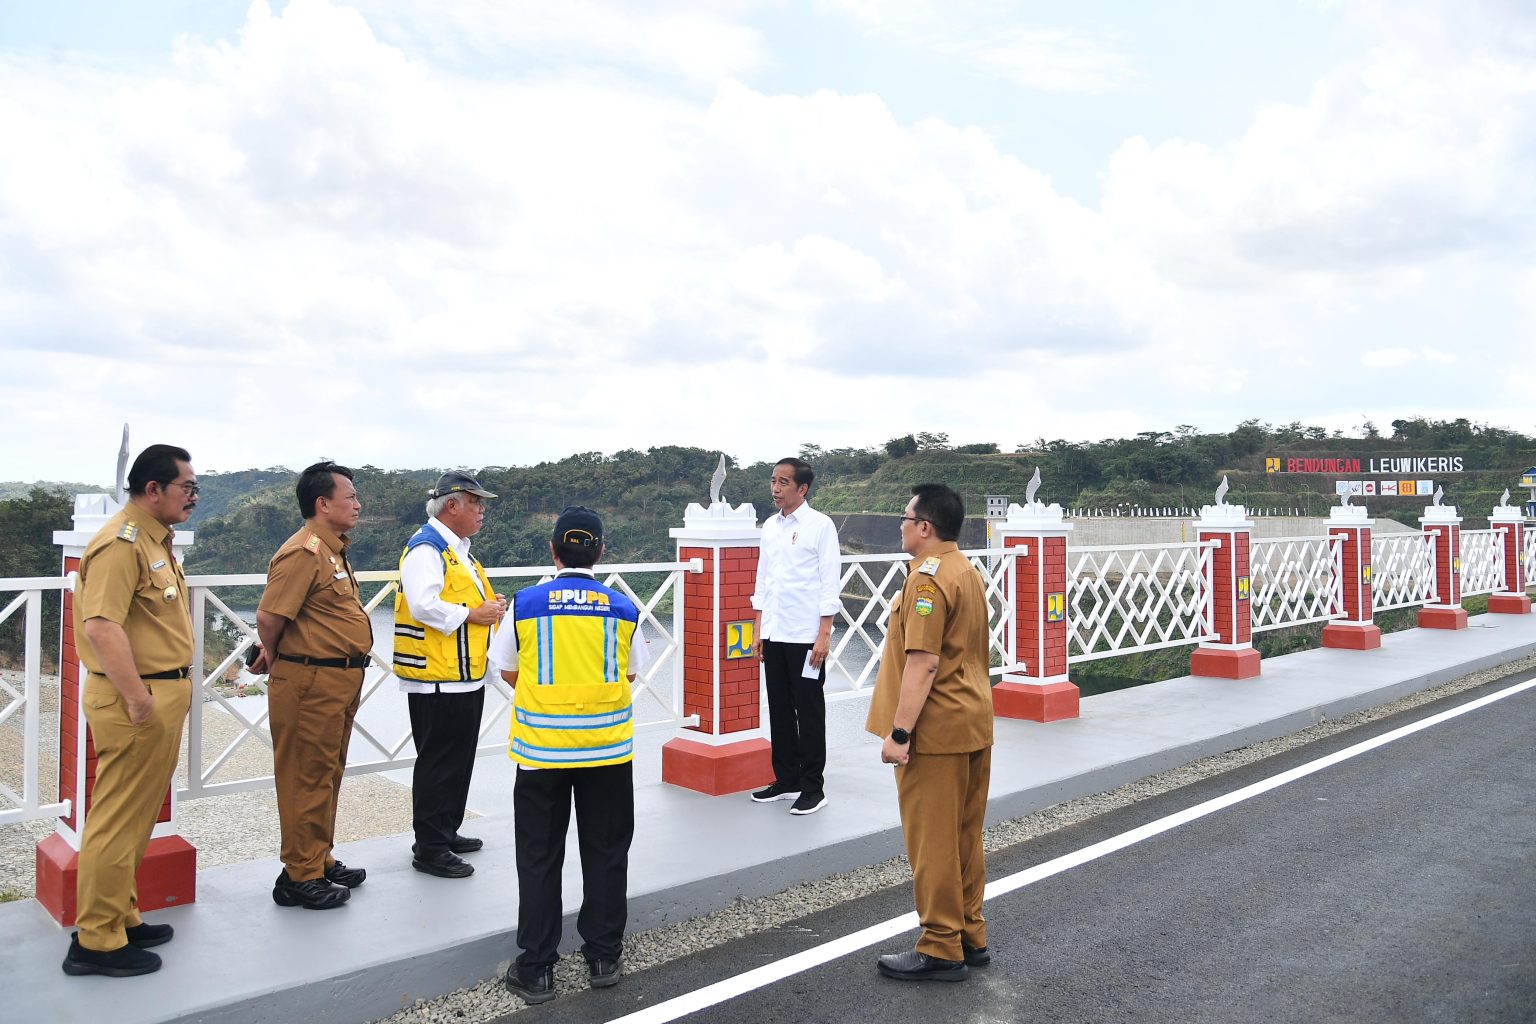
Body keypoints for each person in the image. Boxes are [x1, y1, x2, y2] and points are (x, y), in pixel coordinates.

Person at [489, 506, 650, 1005]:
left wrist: (545, 697)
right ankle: (603, 955)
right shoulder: (623, 608)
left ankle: (536, 967)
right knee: (606, 852)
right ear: (600, 552)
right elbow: (631, 672)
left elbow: (505, 669)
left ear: (554, 550)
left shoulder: (526, 603)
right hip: (606, 749)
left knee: (539, 857)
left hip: (541, 751)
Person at [63, 444, 198, 977]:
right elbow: (101, 626)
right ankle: (96, 940)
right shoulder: (121, 544)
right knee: (116, 819)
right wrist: (139, 698)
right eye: (186, 487)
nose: (193, 497)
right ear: (152, 490)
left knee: (137, 816)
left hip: (160, 693)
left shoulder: (152, 540)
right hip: (135, 699)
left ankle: (120, 915)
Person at [866, 484, 993, 982]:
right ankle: (969, 933)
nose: (900, 525)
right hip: (973, 721)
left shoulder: (926, 581)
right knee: (964, 835)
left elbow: (922, 663)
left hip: (936, 732)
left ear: (925, 527)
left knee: (933, 840)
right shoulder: (965, 569)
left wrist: (899, 732)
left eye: (905, 517)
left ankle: (940, 944)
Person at [252, 461, 375, 911]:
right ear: (322, 504)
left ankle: (318, 859)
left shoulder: (332, 550)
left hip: (337, 679)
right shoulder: (303, 552)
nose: (358, 504)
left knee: (326, 773)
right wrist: (276, 652)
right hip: (310, 679)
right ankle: (299, 875)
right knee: (306, 776)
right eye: (350, 497)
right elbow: (269, 616)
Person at [394, 471, 507, 878]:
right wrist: (473, 613)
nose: (482, 510)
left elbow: (458, 599)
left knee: (458, 759)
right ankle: (430, 846)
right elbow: (424, 604)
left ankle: (446, 830)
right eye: (476, 502)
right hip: (437, 676)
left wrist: (487, 605)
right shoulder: (428, 548)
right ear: (452, 504)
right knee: (438, 761)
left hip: (464, 673)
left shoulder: (460, 551)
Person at [749, 457, 841, 816]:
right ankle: (786, 779)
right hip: (775, 632)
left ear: (802, 489)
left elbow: (829, 581)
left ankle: (813, 787)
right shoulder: (770, 527)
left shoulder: (821, 526)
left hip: (806, 636)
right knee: (781, 709)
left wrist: (823, 634)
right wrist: (759, 630)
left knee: (810, 709)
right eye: (773, 480)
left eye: (784, 482)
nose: (775, 488)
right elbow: (762, 580)